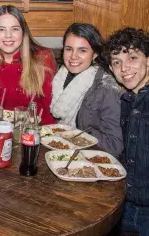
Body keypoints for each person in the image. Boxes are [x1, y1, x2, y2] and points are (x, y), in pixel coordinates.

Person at [104, 27, 149, 236]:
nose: (125, 68)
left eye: (132, 58)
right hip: (125, 201)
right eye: (117, 62)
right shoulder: (126, 100)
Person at [0, 4, 56, 124]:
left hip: (34, 133)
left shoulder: (42, 60)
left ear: (23, 32)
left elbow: (50, 109)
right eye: (1, 29)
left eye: (15, 29)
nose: (8, 35)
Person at [50, 23, 123, 156]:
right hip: (61, 152)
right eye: (69, 49)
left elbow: (114, 144)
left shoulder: (106, 88)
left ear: (94, 54)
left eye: (82, 50)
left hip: (89, 160)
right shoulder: (60, 77)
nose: (73, 56)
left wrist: (76, 134)